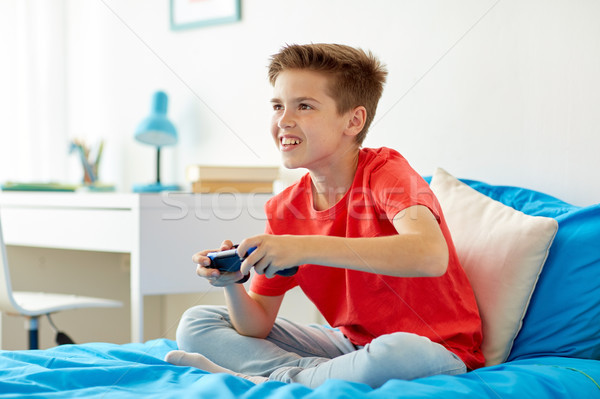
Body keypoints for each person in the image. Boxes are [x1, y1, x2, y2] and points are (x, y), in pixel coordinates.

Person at [165, 43, 484, 388]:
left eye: (304, 106)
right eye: (277, 106)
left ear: (353, 120)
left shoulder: (387, 173)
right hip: (349, 347)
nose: (284, 120)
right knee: (196, 323)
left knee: (398, 351)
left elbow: (430, 255)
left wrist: (304, 247)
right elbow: (256, 326)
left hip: (436, 349)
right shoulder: (285, 208)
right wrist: (232, 284)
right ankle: (309, 376)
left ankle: (276, 377)